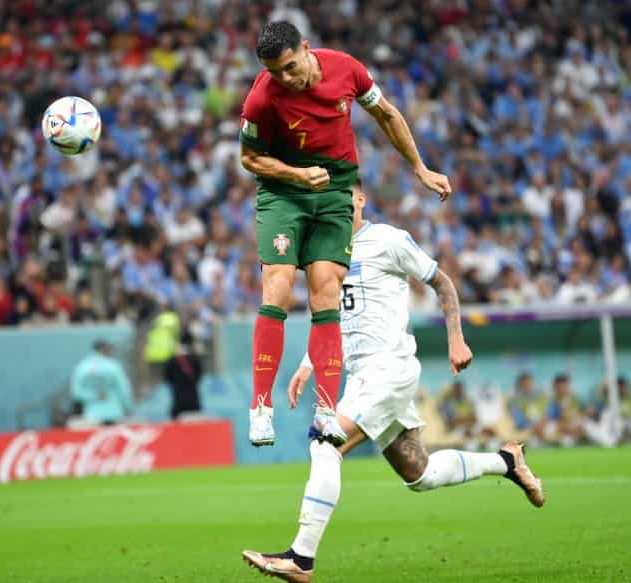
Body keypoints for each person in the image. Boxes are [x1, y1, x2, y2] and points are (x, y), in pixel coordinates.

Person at [241, 182, 543, 582]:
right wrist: (307, 363)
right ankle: (507, 462)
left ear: (361, 199)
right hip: (363, 376)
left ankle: (302, 557)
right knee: (419, 473)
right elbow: (334, 318)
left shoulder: (387, 239)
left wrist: (456, 337)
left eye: (344, 196)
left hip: (389, 368)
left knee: (324, 441)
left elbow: (442, 282)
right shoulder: (325, 255)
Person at [240, 21, 452, 447]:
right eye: (274, 71)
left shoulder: (348, 70)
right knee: (278, 288)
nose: (284, 78)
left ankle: (326, 408)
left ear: (306, 47)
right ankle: (260, 409)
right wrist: (296, 174)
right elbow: (249, 158)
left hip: (336, 190)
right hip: (284, 193)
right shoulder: (263, 96)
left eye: (289, 66)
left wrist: (420, 167)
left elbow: (386, 114)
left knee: (325, 293)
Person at [68, 340, 133, 427]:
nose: (111, 352)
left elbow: (76, 393)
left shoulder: (81, 367)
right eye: (109, 349)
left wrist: (94, 396)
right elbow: (124, 390)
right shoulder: (113, 366)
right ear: (103, 349)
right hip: (114, 413)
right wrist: (128, 407)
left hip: (92, 415)